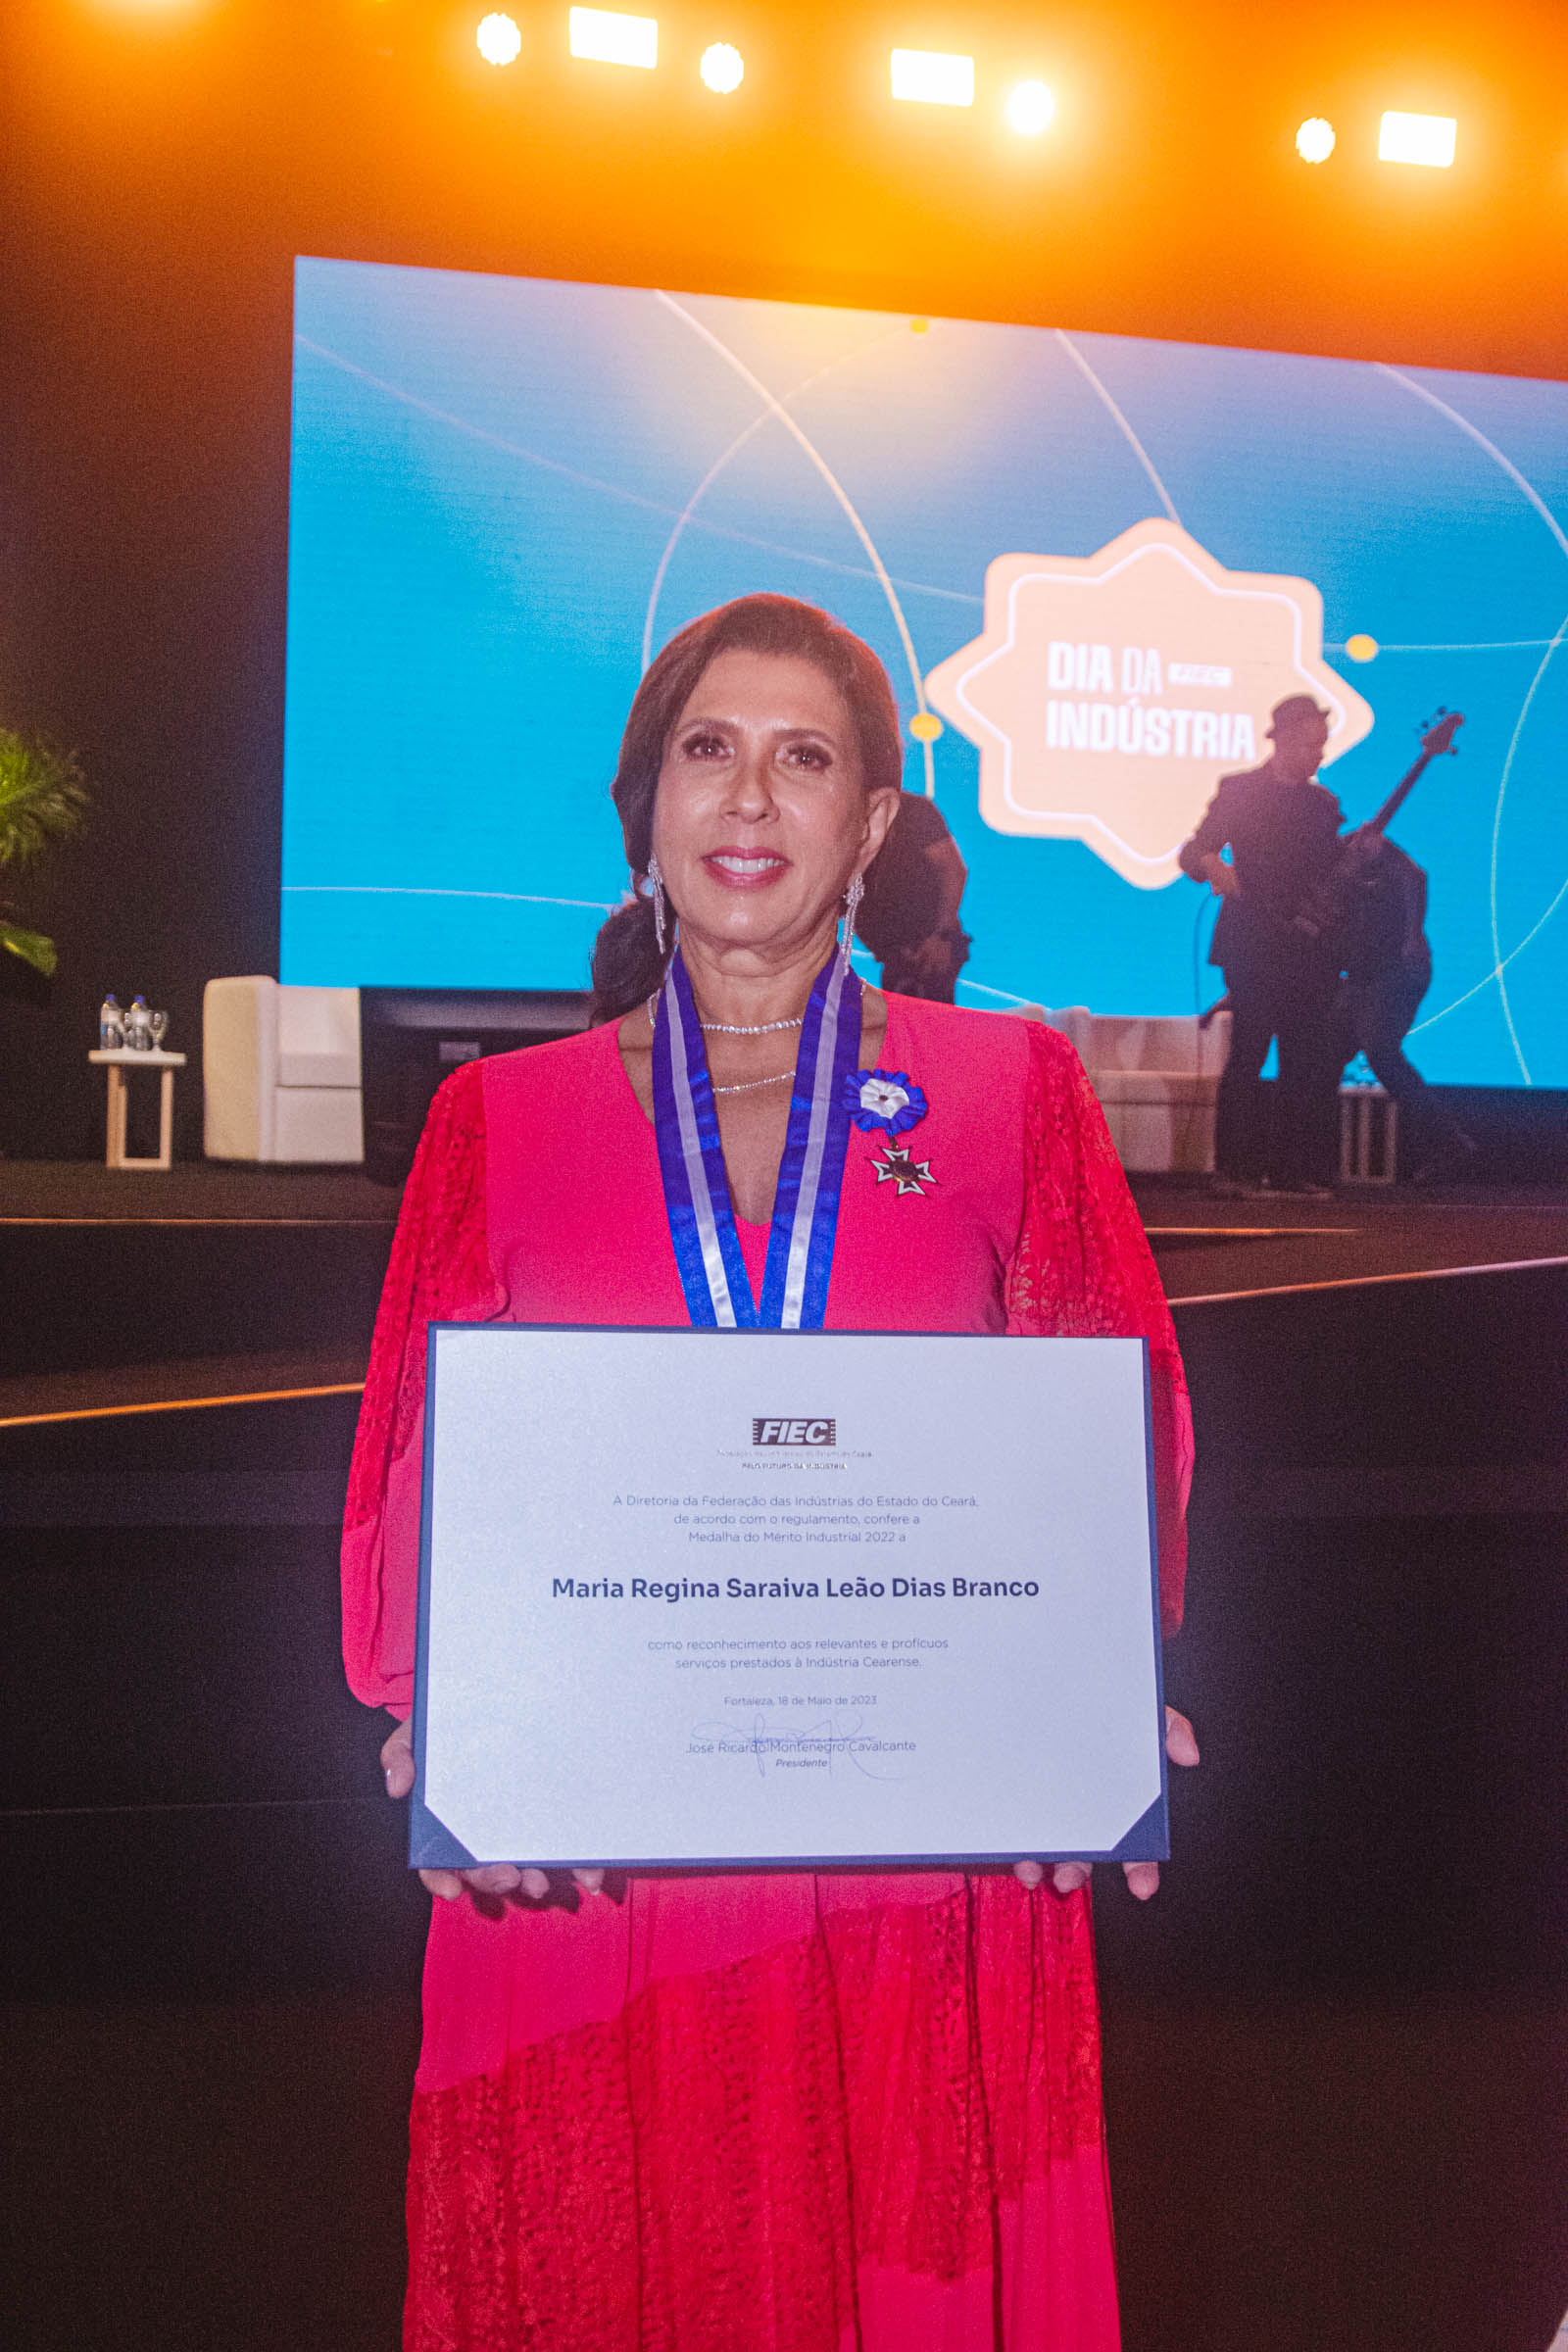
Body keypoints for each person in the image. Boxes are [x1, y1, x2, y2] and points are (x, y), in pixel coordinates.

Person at [345, 593, 1197, 2351]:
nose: (748, 798)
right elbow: (413, 1466)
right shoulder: (497, 1119)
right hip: (585, 1861)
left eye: (803, 759)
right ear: (647, 806)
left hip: (924, 1865)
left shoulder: (1014, 1088)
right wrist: (439, 1711)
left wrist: (1102, 1690)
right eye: (707, 751)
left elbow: (1118, 1411)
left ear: (869, 828)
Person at [1178, 694, 1346, 1199]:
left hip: (1307, 946)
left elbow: (1331, 872)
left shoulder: (1323, 805)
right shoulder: (1240, 790)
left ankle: (1290, 1170)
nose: (1319, 755)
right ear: (1284, 740)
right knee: (1249, 1052)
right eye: (1312, 744)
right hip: (1251, 940)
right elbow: (1193, 851)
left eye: (1322, 745)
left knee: (1302, 1059)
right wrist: (1213, 865)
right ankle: (1235, 1171)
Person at [1335, 826, 1477, 1182]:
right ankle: (1304, 1156)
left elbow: (1415, 876)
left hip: (1396, 968)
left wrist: (1413, 936)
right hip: (1362, 974)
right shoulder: (1324, 868)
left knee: (1380, 1051)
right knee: (1325, 1053)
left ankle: (1449, 1144)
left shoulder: (1359, 846)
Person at [856, 786, 972, 1000]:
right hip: (892, 952)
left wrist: (941, 935)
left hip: (927, 950)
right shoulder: (852, 813)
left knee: (926, 1016)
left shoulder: (913, 810)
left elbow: (953, 870)